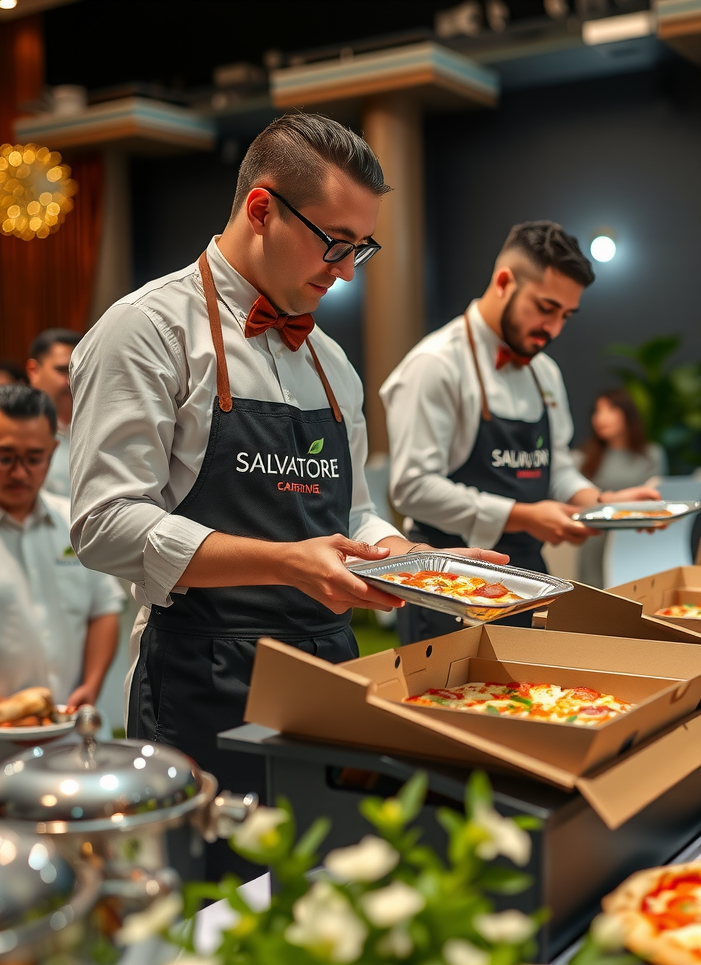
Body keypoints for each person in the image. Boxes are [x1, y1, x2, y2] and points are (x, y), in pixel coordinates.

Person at [69, 113, 504, 877]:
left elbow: (353, 511)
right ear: (262, 208)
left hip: (329, 677)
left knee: (324, 902)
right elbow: (105, 524)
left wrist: (411, 557)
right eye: (334, 242)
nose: (345, 272)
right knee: (212, 924)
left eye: (360, 249)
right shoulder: (146, 330)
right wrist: (287, 562)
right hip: (205, 680)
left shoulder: (332, 360)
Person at [381, 221, 660, 643]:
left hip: (527, 578)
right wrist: (524, 515)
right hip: (448, 582)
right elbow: (412, 488)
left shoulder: (545, 372)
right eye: (546, 308)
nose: (554, 329)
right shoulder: (434, 365)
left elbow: (558, 468)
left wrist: (602, 504)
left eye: (566, 315)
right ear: (504, 281)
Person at [0, 385, 123, 803]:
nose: (20, 472)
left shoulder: (73, 522)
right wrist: (8, 716)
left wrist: (91, 685)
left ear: (53, 450)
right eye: (4, 456)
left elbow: (104, 609)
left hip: (72, 746)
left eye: (34, 458)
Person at [576, 389, 668, 589]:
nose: (601, 418)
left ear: (628, 414)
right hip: (595, 538)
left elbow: (655, 499)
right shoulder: (587, 456)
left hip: (634, 539)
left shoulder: (651, 456)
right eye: (597, 412)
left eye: (610, 410)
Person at [26, 328, 82, 496]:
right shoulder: (15, 430)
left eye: (77, 371)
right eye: (62, 370)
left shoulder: (101, 428)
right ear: (34, 371)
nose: (70, 380)